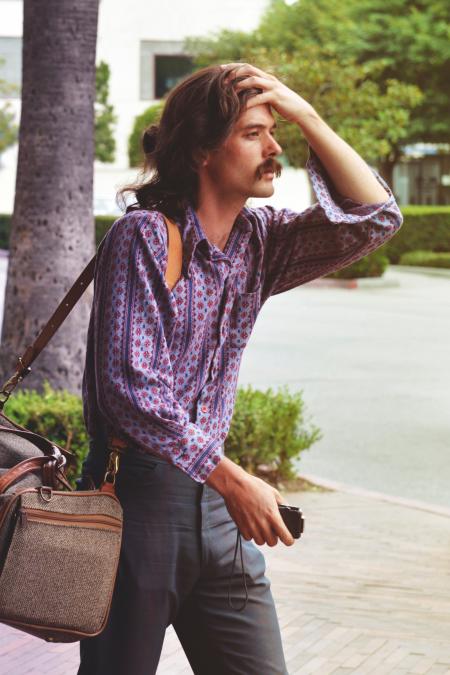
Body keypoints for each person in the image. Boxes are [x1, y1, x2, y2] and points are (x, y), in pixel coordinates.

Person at [77, 63, 403, 674]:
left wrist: (304, 113)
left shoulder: (260, 242)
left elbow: (377, 219)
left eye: (275, 132)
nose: (275, 148)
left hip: (221, 513)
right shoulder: (143, 238)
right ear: (203, 149)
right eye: (255, 133)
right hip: (135, 504)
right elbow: (130, 390)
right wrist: (235, 481)